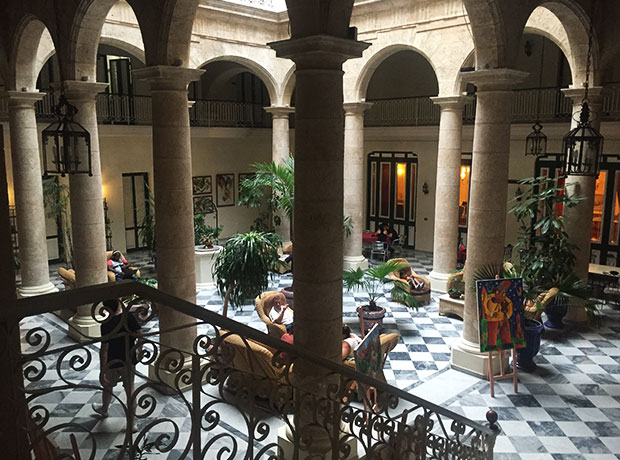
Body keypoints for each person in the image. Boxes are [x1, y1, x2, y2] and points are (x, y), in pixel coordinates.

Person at [92, 298, 142, 432]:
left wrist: (102, 369)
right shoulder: (129, 318)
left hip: (112, 361)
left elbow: (104, 349)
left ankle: (104, 410)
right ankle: (132, 424)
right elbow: (139, 335)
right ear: (119, 306)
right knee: (130, 389)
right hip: (128, 359)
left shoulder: (106, 325)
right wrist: (139, 350)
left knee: (108, 385)